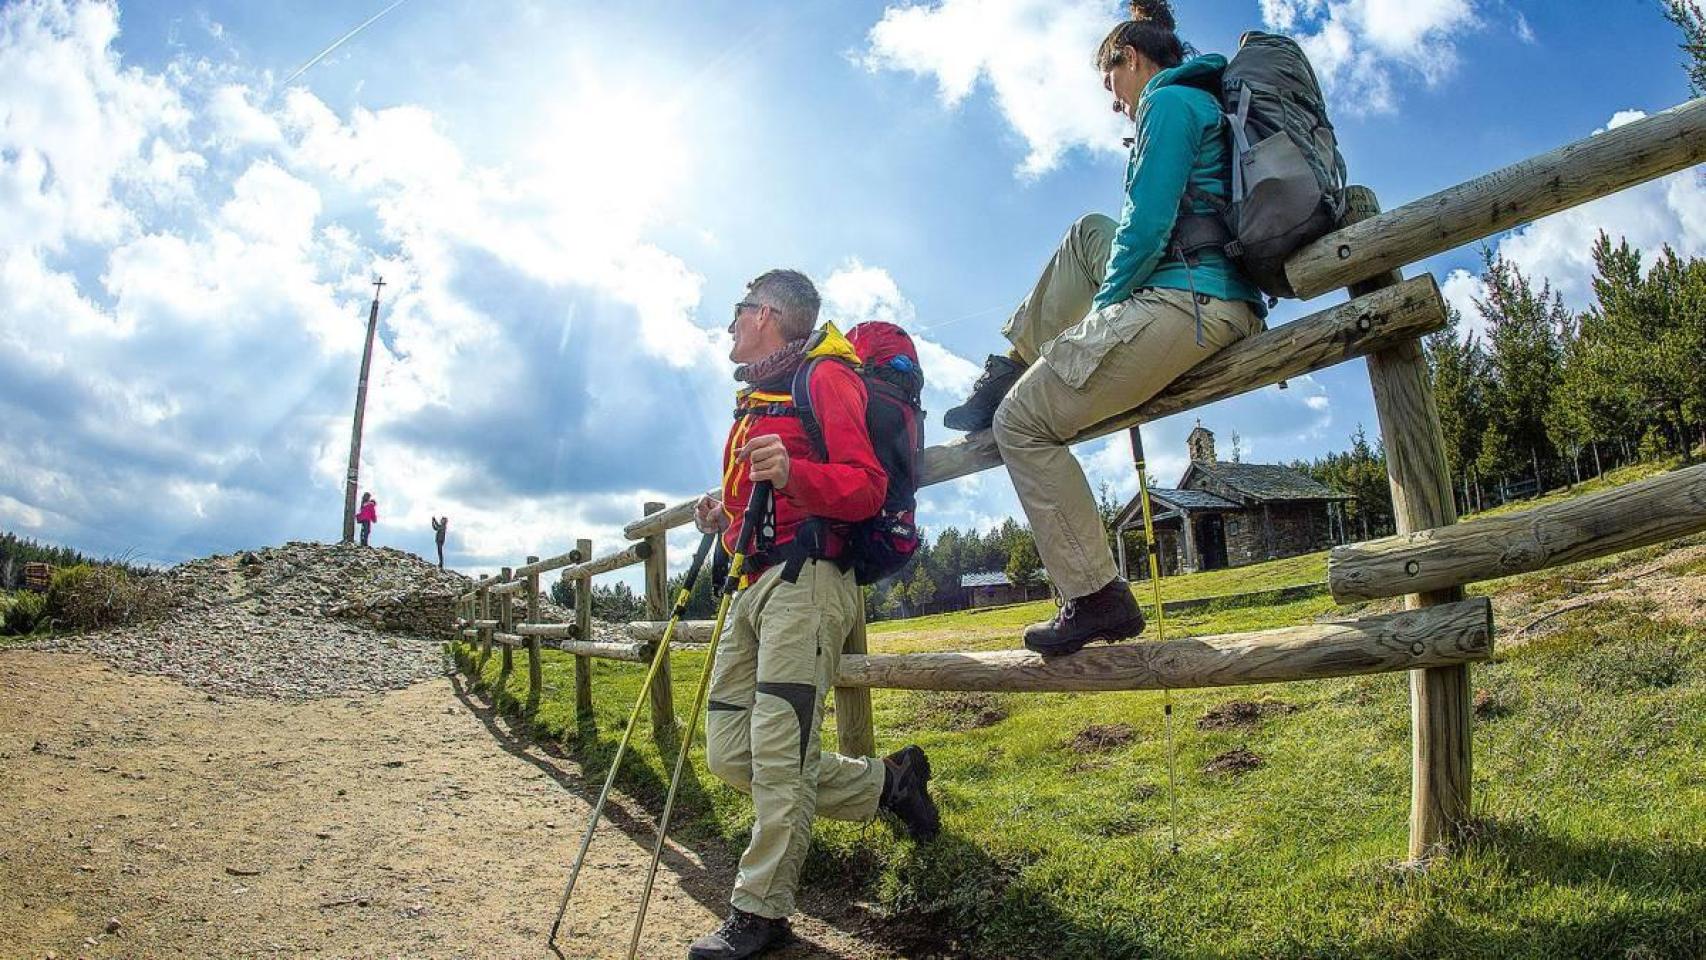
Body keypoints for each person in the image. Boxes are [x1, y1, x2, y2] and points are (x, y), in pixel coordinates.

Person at [942, 1, 1266, 657]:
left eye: (1109, 82)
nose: (1115, 103)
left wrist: (1104, 317)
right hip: (1205, 291)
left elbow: (1147, 229)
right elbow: (1127, 233)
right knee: (1089, 231)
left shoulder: (1168, 108)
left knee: (1020, 425)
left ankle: (1095, 596)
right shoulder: (1199, 99)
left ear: (1132, 59)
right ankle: (1008, 369)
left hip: (1191, 301)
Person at [688, 269, 939, 960]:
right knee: (732, 753)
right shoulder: (762, 395)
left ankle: (760, 914)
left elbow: (865, 487)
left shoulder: (824, 377)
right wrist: (725, 514)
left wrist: (793, 476)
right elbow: (768, 494)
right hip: (753, 585)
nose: (731, 324)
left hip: (807, 582)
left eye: (738, 311)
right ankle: (891, 784)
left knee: (777, 755)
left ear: (766, 313)